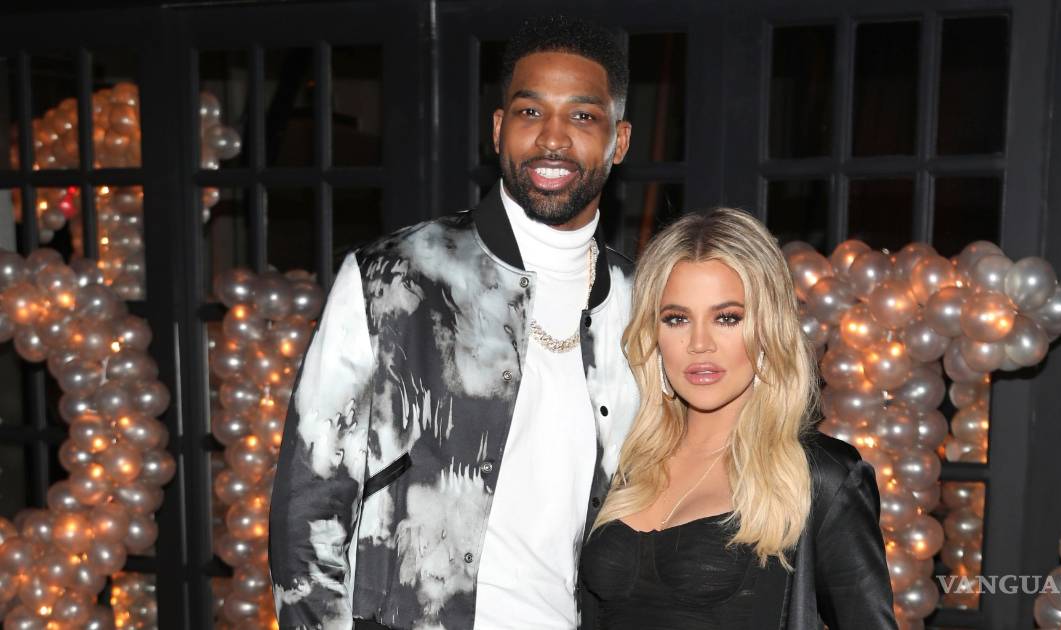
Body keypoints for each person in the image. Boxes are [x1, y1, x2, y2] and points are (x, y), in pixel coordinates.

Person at [269, 16, 639, 629]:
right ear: (498, 129)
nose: (552, 138)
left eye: (582, 116)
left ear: (618, 141)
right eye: (530, 112)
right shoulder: (392, 277)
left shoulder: (640, 302)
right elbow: (309, 504)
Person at [579, 208, 897, 629]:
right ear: (653, 334)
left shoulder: (821, 477)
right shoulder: (625, 459)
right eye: (677, 319)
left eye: (727, 318)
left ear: (767, 328)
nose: (699, 343)